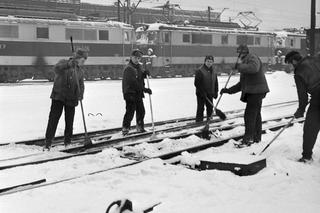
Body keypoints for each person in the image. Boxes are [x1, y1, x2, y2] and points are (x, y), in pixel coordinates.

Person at [220, 44, 269, 147]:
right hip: (255, 91)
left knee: (249, 115)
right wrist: (228, 90)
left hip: (256, 91)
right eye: (238, 53)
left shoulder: (252, 57)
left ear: (244, 52)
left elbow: (254, 68)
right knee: (255, 115)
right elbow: (242, 84)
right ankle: (256, 138)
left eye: (240, 53)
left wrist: (239, 67)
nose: (239, 55)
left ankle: (248, 139)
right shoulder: (245, 61)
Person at [44, 48, 88, 150]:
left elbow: (81, 84)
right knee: (53, 119)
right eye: (82, 60)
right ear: (77, 58)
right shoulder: (64, 63)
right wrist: (68, 65)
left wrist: (80, 94)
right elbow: (56, 68)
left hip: (71, 98)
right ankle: (48, 142)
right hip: (58, 96)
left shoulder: (80, 71)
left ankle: (67, 141)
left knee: (69, 121)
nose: (83, 63)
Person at [285, 50, 320, 163]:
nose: (290, 66)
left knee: (310, 128)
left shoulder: (299, 72)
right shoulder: (313, 59)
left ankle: (306, 156)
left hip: (318, 100)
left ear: (294, 61)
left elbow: (302, 96)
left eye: (290, 63)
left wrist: (300, 111)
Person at [122, 49, 152, 136]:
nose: (137, 60)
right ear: (131, 57)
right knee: (130, 111)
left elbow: (139, 77)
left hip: (137, 93)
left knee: (141, 111)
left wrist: (145, 73)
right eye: (135, 58)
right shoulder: (129, 68)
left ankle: (140, 127)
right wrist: (145, 89)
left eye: (139, 58)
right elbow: (134, 83)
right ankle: (125, 128)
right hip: (130, 93)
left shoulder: (138, 67)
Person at [194, 55, 219, 122]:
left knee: (210, 108)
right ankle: (199, 121)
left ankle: (209, 121)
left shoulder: (214, 71)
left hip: (210, 93)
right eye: (208, 61)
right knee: (201, 108)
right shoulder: (200, 71)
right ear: (205, 61)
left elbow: (216, 82)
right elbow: (197, 83)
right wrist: (202, 92)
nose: (209, 63)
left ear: (213, 62)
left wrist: (216, 92)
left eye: (211, 62)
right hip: (201, 94)